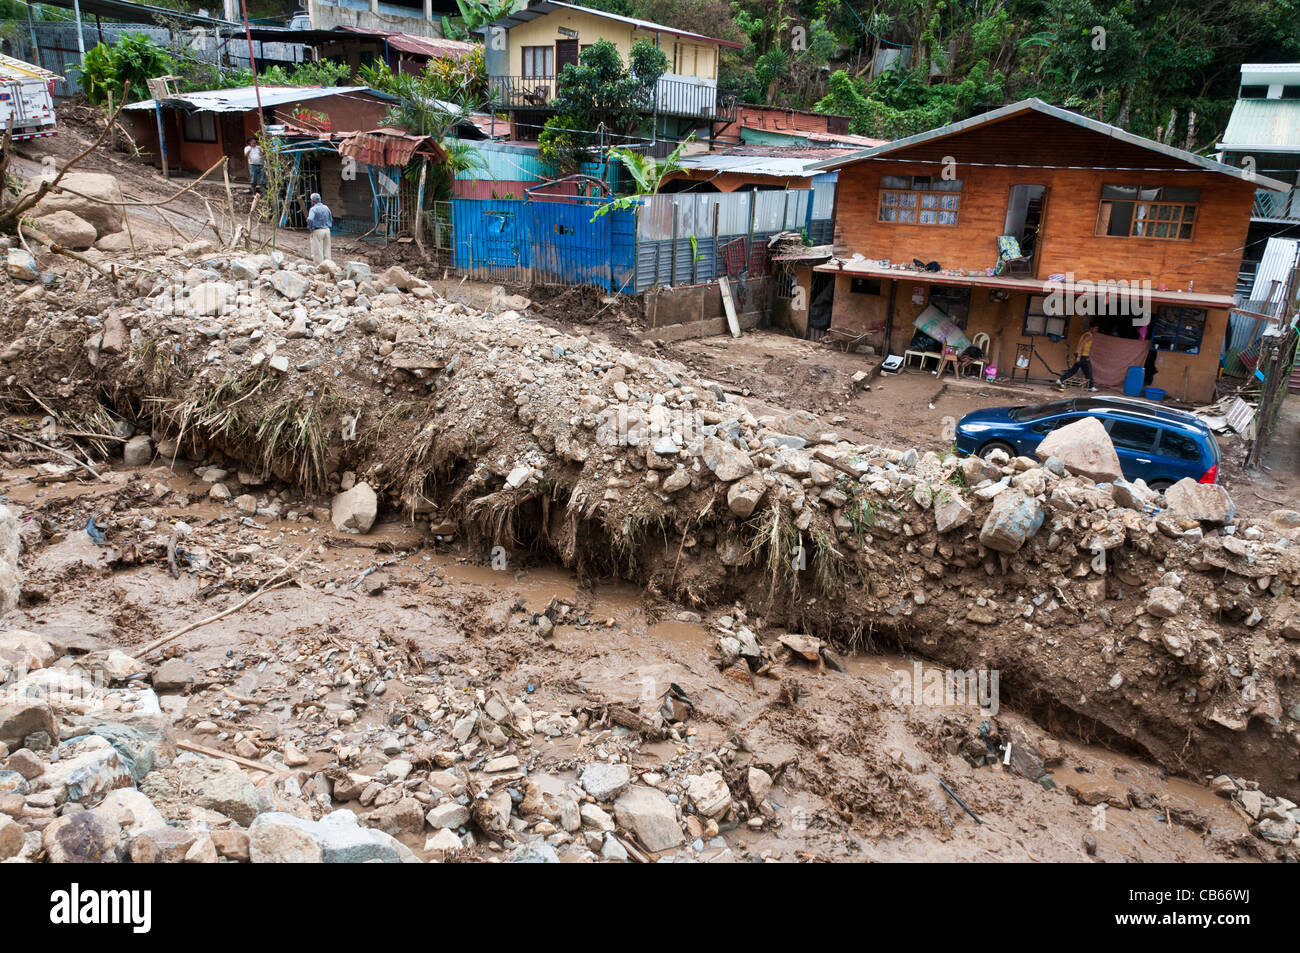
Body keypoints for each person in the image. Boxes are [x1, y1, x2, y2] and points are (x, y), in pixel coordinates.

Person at [1057, 323, 1097, 391]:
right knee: (1088, 371)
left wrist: (1078, 355)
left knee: (1074, 370)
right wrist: (1078, 356)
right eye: (1095, 328)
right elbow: (1081, 344)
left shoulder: (1087, 334)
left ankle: (1060, 380)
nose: (1096, 330)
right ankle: (1091, 387)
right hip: (1083, 356)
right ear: (1091, 328)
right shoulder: (1088, 335)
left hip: (1082, 355)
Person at [306, 193, 333, 264]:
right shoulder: (326, 207)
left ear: (312, 201)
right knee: (327, 250)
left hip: (317, 231)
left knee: (318, 251)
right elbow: (331, 218)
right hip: (327, 230)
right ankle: (328, 266)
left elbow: (310, 219)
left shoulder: (313, 209)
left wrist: (310, 227)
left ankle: (319, 267)